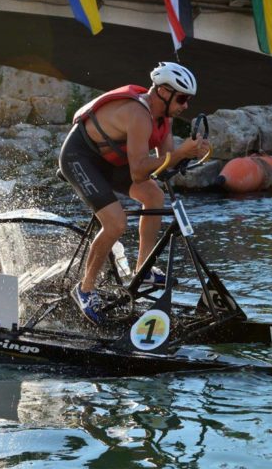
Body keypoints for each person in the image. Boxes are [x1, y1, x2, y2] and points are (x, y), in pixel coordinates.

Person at [58, 62, 209, 325]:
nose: (186, 106)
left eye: (188, 100)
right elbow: (139, 172)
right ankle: (85, 289)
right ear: (163, 92)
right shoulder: (138, 114)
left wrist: (191, 154)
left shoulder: (165, 119)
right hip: (80, 158)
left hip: (110, 162)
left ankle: (143, 269)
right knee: (116, 223)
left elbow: (164, 164)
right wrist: (179, 153)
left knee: (154, 196)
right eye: (182, 99)